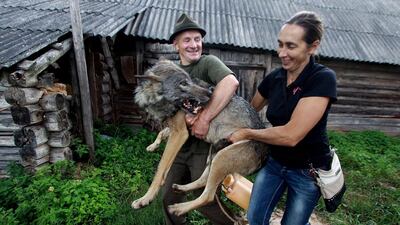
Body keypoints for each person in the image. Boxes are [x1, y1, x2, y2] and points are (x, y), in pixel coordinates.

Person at [228, 11, 337, 225]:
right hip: (275, 163)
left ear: (312, 46)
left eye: (291, 46)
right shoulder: (275, 78)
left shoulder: (322, 79)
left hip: (308, 171)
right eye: (280, 44)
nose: (282, 52)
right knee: (255, 218)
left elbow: (291, 135)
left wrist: (247, 133)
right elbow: (249, 110)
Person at [162, 13, 239, 225]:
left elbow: (230, 83)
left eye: (197, 39)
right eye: (187, 40)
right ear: (175, 44)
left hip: (204, 148)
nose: (194, 45)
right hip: (180, 148)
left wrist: (204, 119)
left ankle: (235, 224)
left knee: (204, 202)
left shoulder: (207, 63)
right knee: (169, 199)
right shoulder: (172, 73)